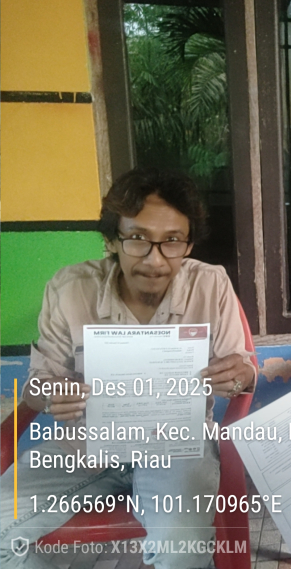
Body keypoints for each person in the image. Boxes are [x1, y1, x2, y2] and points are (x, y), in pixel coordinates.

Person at [0, 169, 257, 569]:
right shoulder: (70, 289)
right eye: (138, 238)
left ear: (188, 244)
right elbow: (36, 388)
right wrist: (49, 396)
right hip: (85, 447)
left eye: (172, 241)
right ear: (111, 240)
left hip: (177, 448)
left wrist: (238, 376)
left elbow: (245, 372)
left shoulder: (211, 285)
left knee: (181, 549)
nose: (155, 260)